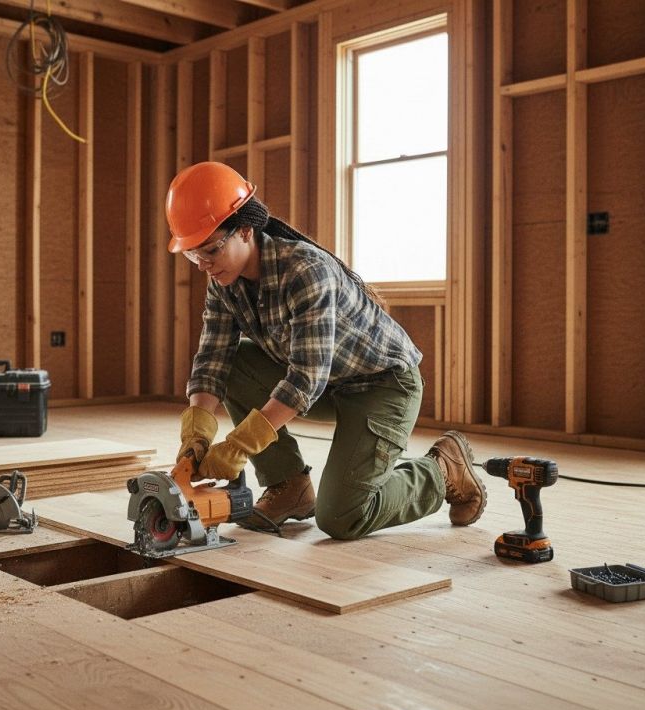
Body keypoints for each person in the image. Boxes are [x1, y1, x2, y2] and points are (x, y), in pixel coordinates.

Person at [166, 161, 486, 540]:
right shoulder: (224, 280)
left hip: (382, 387)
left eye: (210, 250)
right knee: (234, 362)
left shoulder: (305, 270)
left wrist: (239, 445)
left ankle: (441, 470)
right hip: (331, 386)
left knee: (341, 517)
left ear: (246, 231)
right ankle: (290, 488)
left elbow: (304, 380)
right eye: (192, 255)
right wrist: (196, 434)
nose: (203, 265)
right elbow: (212, 361)